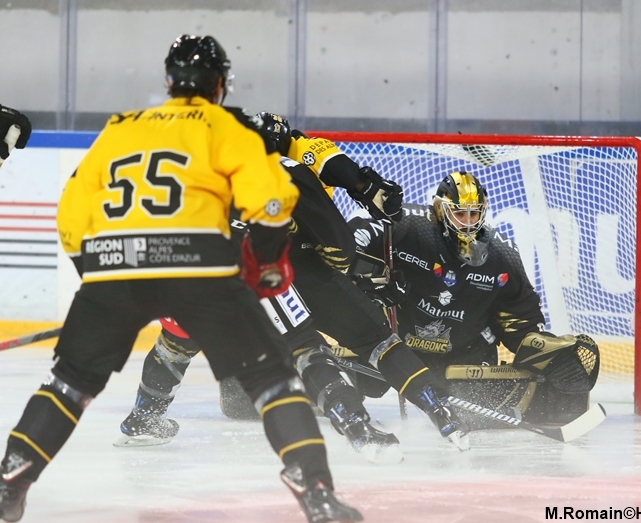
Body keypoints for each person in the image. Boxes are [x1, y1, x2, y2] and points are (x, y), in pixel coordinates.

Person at [0, 35, 362, 523]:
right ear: (220, 84)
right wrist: (265, 264)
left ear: (169, 81)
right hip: (201, 269)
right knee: (272, 381)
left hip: (115, 266)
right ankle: (317, 493)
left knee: (68, 384)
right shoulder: (227, 124)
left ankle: (12, 477)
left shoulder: (122, 126)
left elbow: (72, 209)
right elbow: (273, 201)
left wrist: (100, 276)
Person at [117, 112, 469, 461]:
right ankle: (419, 410)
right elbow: (338, 240)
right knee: (334, 344)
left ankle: (143, 419)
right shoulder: (288, 164)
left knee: (176, 343)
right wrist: (355, 260)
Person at [348, 171, 600, 429]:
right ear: (439, 210)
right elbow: (351, 240)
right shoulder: (406, 227)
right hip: (397, 345)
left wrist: (536, 345)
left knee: (474, 416)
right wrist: (367, 272)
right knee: (358, 372)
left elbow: (518, 318)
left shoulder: (502, 258)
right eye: (459, 214)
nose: (468, 223)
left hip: (463, 356)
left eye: (474, 214)